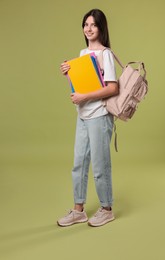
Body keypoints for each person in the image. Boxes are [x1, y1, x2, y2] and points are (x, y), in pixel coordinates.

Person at [57, 9, 119, 227]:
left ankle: (106, 208)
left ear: (101, 28)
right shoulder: (83, 53)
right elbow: (81, 87)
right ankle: (78, 210)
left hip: (100, 115)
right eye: (86, 24)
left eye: (93, 25)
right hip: (83, 114)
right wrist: (68, 76)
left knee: (100, 165)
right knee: (79, 163)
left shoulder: (106, 54)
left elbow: (112, 88)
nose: (88, 29)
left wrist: (85, 96)